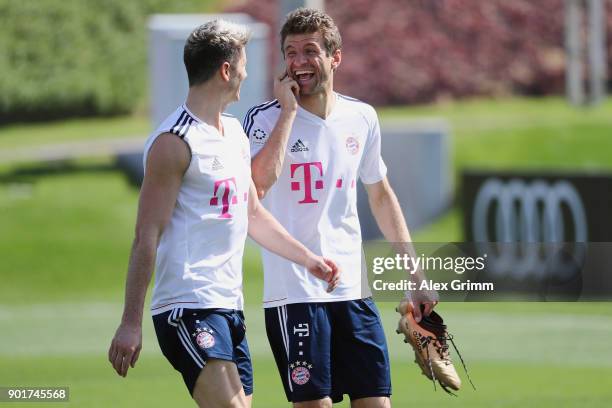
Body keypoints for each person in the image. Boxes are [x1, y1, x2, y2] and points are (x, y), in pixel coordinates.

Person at [108, 20, 340, 408]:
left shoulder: (233, 133)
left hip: (229, 308)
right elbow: (145, 234)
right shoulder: (174, 142)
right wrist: (130, 321)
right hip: (187, 306)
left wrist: (309, 260)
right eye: (244, 64)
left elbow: (252, 212)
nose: (248, 74)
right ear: (226, 70)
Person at [243, 8, 437, 407]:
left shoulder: (362, 117)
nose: (298, 62)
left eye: (309, 50)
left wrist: (414, 275)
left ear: (335, 57)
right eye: (290, 52)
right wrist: (288, 114)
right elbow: (255, 188)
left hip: (354, 293)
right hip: (295, 295)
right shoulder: (262, 120)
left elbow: (380, 196)